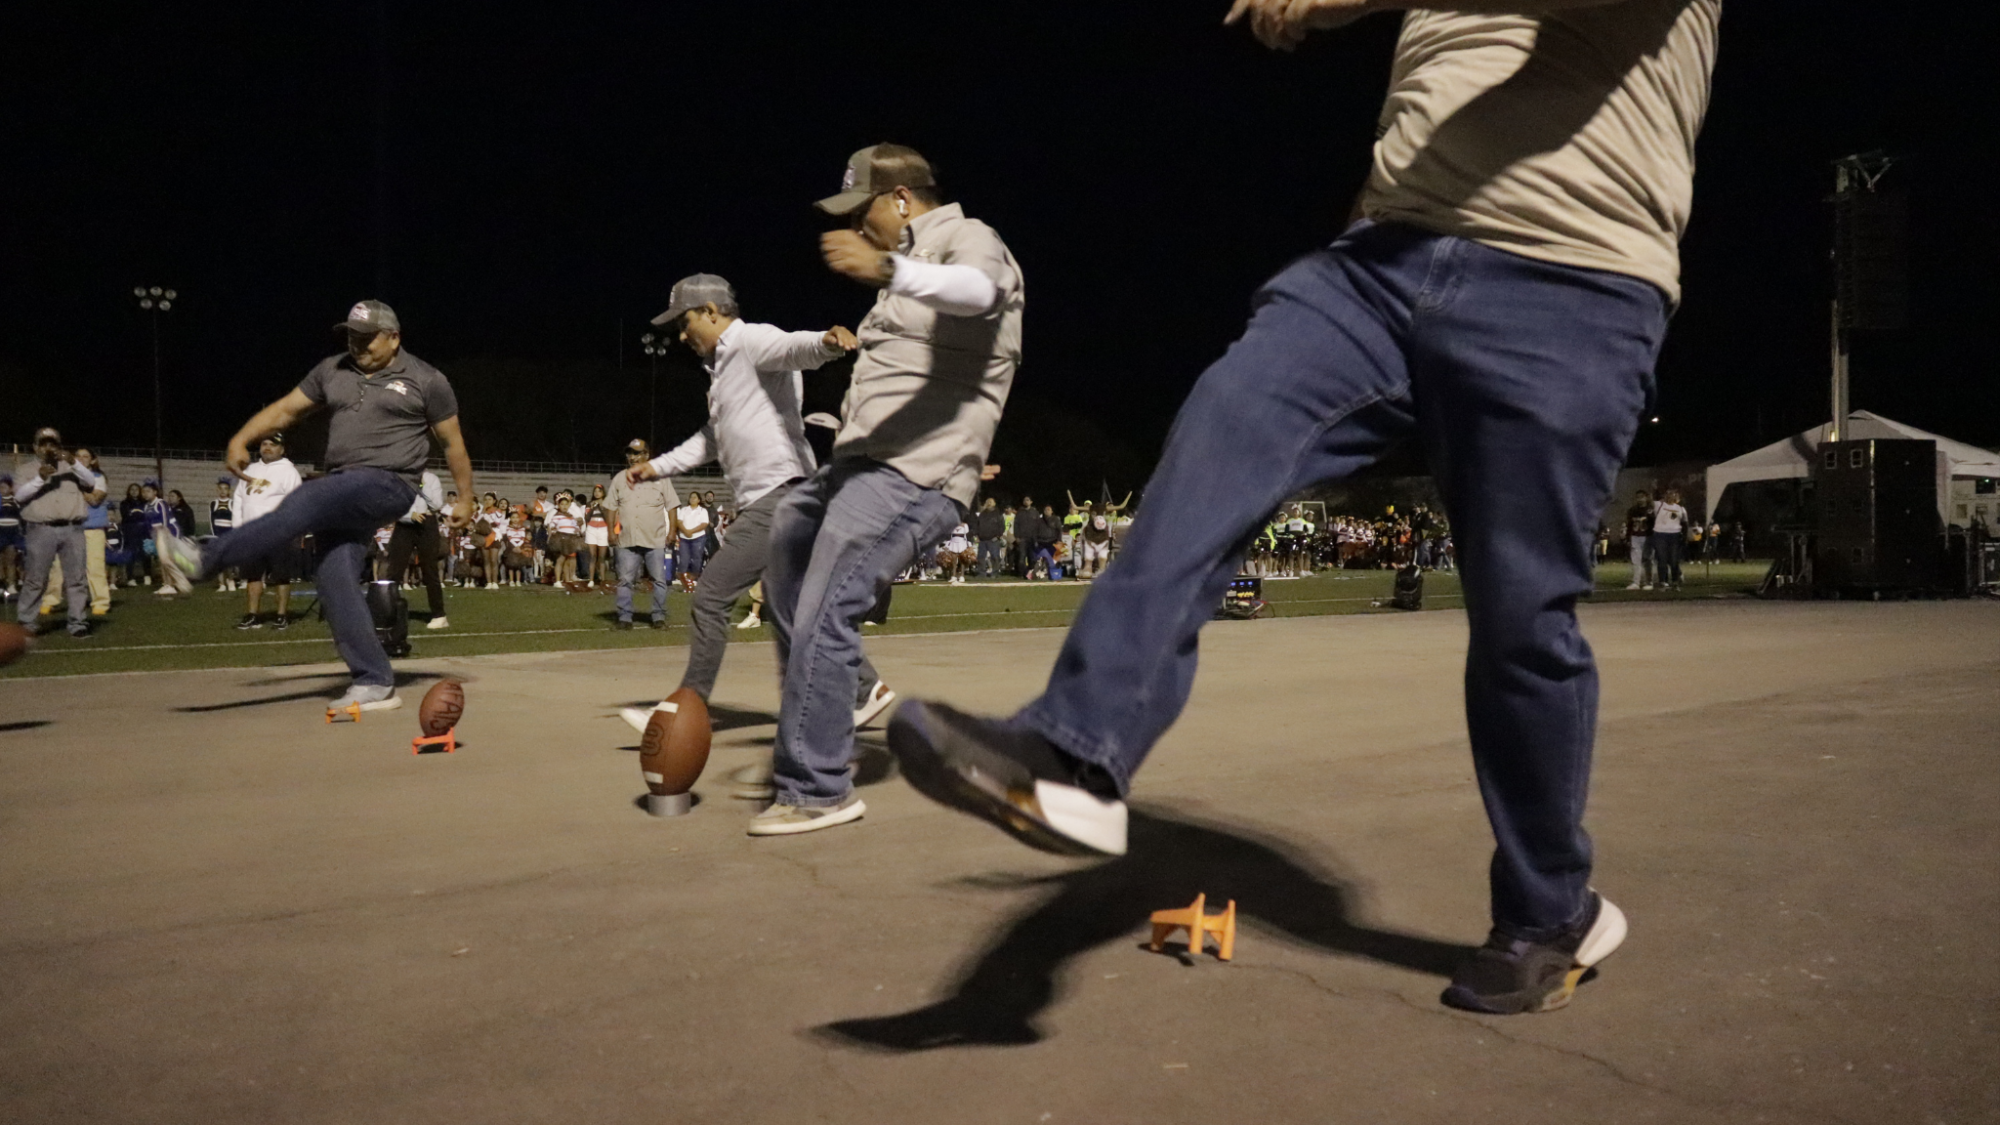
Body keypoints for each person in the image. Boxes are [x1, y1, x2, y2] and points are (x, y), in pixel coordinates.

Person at [888, 0, 1719, 1017]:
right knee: (1218, 438)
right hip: (1378, 270)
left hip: (1572, 283)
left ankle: (1551, 911)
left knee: (1518, 620)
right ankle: (1075, 753)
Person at [750, 142, 1024, 836]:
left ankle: (817, 789)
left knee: (826, 600)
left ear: (900, 200)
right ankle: (857, 684)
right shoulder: (904, 277)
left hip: (918, 468)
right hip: (860, 464)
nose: (856, 227)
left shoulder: (968, 240)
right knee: (788, 539)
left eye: (861, 209)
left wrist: (890, 267)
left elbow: (981, 292)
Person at [622, 274, 899, 764]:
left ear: (711, 311)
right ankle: (867, 687)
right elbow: (710, 440)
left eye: (685, 323)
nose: (682, 336)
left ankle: (686, 706)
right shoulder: (722, 370)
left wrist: (828, 343)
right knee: (792, 605)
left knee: (709, 598)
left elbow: (793, 349)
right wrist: (655, 466)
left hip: (781, 495)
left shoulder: (747, 341)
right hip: (783, 497)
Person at [158, 299, 474, 715]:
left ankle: (202, 559)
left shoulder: (427, 380)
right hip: (344, 483)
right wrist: (241, 439)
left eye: (366, 338)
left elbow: (453, 444)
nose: (356, 345)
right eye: (350, 336)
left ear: (394, 338)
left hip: (390, 483)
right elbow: (286, 409)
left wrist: (466, 498)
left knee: (307, 498)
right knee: (334, 575)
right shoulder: (332, 370)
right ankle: (375, 680)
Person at [12, 427, 104, 637]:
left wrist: (73, 462)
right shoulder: (26, 469)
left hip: (72, 528)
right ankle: (26, 624)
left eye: (52, 443)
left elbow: (90, 482)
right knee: (36, 579)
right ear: (35, 447)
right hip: (41, 530)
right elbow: (19, 496)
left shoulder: (71, 467)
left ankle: (78, 623)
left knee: (76, 579)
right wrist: (39, 478)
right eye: (43, 443)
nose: (48, 448)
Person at [605, 438, 678, 630]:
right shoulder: (620, 478)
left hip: (654, 537)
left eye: (637, 453)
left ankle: (658, 617)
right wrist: (611, 531)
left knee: (659, 581)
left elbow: (672, 506)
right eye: (630, 453)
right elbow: (611, 506)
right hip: (627, 538)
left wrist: (672, 531)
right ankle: (625, 618)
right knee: (625, 581)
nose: (633, 457)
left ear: (646, 455)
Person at [232, 434, 303, 629]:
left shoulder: (288, 472)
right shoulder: (250, 469)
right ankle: (252, 614)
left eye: (273, 445)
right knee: (253, 575)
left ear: (282, 449)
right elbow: (239, 498)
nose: (268, 447)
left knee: (281, 575)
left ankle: (282, 615)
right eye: (265, 444)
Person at [36, 447, 117, 617]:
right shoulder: (63, 476)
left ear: (93, 460)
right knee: (57, 567)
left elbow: (95, 500)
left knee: (94, 568)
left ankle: (100, 602)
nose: (81, 458)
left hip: (92, 528)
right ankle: (50, 600)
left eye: (85, 456)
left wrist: (76, 488)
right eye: (77, 456)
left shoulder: (98, 478)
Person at [381, 469, 450, 629]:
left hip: (427, 523)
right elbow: (393, 505)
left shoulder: (431, 478)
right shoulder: (399, 478)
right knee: (394, 569)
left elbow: (436, 505)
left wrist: (422, 488)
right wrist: (409, 515)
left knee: (429, 569)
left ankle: (439, 615)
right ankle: (386, 612)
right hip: (404, 525)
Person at [142, 481, 192, 596]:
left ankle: (179, 583)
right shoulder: (146, 506)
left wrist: (165, 536)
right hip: (157, 534)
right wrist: (151, 537)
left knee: (166, 559)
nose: (145, 494)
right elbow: (148, 523)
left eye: (148, 491)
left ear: (155, 492)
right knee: (162, 561)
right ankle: (168, 584)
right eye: (144, 491)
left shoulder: (161, 503)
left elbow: (165, 521)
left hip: (169, 532)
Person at [1650, 487, 1689, 590]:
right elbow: (1650, 501)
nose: (1670, 496)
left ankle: (1675, 581)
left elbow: (1685, 524)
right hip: (1660, 534)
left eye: (1673, 494)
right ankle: (1663, 581)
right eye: (1668, 493)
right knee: (1662, 559)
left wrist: (1684, 537)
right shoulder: (1659, 505)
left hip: (1674, 535)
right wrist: (1654, 488)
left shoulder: (1680, 509)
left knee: (1674, 559)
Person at [673, 490, 712, 591]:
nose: (692, 499)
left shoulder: (702, 511)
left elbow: (704, 524)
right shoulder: (684, 510)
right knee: (684, 559)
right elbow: (679, 522)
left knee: (696, 558)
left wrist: (691, 531)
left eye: (694, 497)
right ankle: (683, 579)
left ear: (698, 500)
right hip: (684, 538)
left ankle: (694, 578)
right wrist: (685, 531)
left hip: (698, 537)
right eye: (691, 497)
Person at [1623, 489, 1655, 590]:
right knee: (1636, 561)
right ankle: (1636, 582)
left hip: (1647, 536)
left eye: (1642, 497)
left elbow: (1653, 524)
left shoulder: (1650, 509)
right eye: (1638, 497)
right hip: (1635, 536)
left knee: (1647, 559)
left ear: (1646, 497)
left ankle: (1649, 582)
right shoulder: (1632, 510)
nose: (1640, 499)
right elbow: (1629, 525)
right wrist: (1628, 537)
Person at [972, 497, 1006, 579]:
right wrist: (976, 535)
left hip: (993, 539)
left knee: (995, 557)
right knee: (981, 557)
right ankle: (981, 573)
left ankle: (995, 573)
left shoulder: (998, 514)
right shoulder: (982, 514)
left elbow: (1002, 527)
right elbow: (977, 525)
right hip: (982, 539)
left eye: (991, 502)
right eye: (987, 502)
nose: (989, 503)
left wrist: (998, 536)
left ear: (994, 503)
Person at [0, 476, 21, 601]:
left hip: (12, 533)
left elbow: (21, 516)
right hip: (0, 532)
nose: (2, 489)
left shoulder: (16, 500)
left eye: (4, 487)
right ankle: (1, 584)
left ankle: (11, 584)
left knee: (11, 560)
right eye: (0, 487)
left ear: (10, 488)